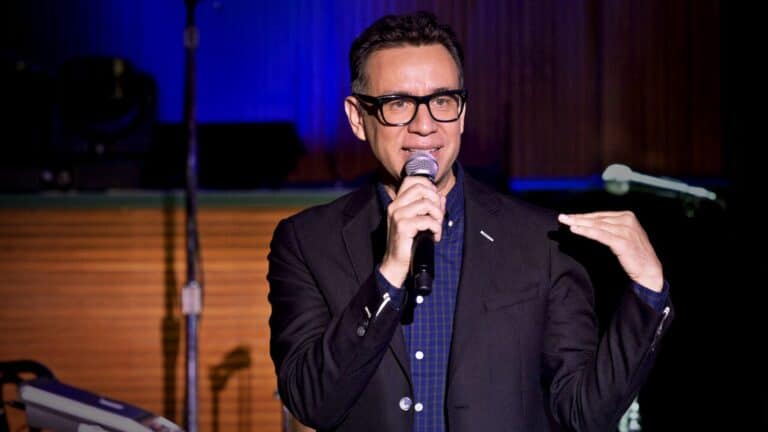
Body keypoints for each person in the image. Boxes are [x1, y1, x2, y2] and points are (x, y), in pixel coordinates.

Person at [268, 11, 672, 432]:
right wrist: (387, 276)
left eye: (442, 101)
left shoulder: (540, 240)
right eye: (398, 104)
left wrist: (648, 291)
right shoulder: (307, 242)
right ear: (357, 118)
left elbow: (583, 413)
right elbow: (312, 402)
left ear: (462, 114)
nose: (424, 125)